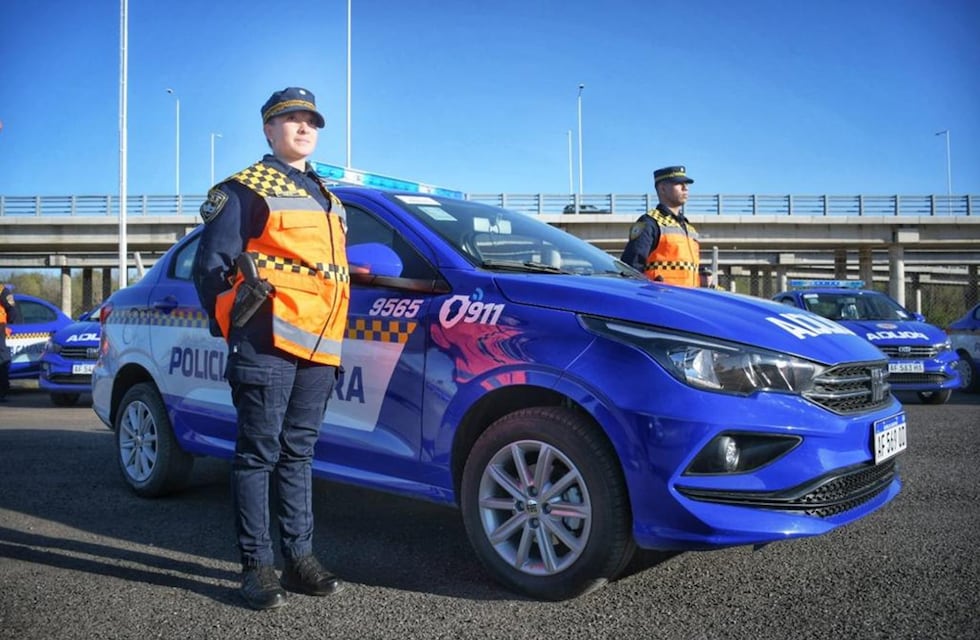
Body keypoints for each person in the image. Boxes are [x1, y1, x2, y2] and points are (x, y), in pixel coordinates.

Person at [191, 87, 350, 611]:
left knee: (298, 454)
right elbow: (211, 269)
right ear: (268, 129)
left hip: (319, 346)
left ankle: (300, 559)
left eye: (311, 120)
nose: (304, 127)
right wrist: (241, 329)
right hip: (267, 343)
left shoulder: (328, 198)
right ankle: (257, 566)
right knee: (257, 454)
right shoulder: (244, 190)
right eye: (291, 119)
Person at [621, 166, 700, 286]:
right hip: (660, 296)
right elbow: (631, 267)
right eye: (679, 184)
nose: (685, 188)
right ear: (662, 188)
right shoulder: (650, 222)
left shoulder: (689, 228)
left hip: (689, 296)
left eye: (686, 184)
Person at [0, 284, 23, 402]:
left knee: (2, 360)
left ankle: (2, 391)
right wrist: (10, 324)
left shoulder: (2, 290)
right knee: (3, 360)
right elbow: (12, 311)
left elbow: (12, 311)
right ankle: (2, 391)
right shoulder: (2, 290)